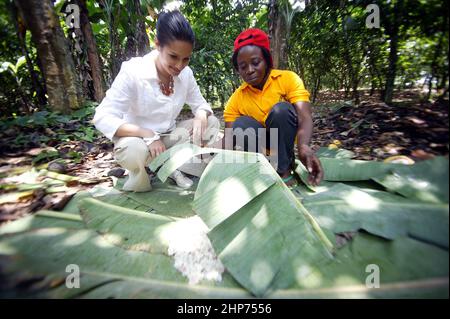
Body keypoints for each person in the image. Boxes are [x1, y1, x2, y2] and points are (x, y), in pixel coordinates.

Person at [93, 10, 220, 192]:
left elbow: (200, 104)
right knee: (133, 150)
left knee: (211, 122)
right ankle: (156, 169)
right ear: (158, 45)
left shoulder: (186, 74)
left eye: (186, 59)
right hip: (139, 140)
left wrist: (201, 115)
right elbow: (102, 117)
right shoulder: (133, 71)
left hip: (170, 138)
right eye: (173, 57)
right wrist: (147, 134)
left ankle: (171, 165)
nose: (179, 66)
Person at [223, 28, 323, 186]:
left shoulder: (288, 79)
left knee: (281, 111)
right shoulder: (236, 98)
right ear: (239, 70)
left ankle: (284, 172)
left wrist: (303, 146)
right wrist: (223, 167)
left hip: (284, 149)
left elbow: (304, 116)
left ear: (267, 60)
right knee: (240, 125)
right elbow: (229, 138)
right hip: (259, 155)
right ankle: (264, 170)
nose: (250, 70)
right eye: (243, 67)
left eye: (256, 62)